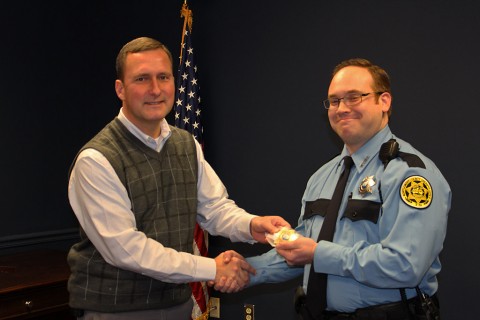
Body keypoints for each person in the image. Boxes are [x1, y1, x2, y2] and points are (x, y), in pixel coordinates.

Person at [67, 36, 289, 320]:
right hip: (117, 310)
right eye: (142, 79)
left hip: (177, 304)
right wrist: (212, 268)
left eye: (163, 77)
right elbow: (126, 250)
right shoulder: (96, 160)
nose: (155, 89)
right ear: (120, 89)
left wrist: (252, 225)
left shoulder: (186, 144)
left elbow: (214, 208)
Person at [227, 58, 451, 319]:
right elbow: (300, 251)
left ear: (384, 102)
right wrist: (247, 269)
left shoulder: (410, 174)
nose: (342, 108)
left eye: (354, 97)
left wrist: (319, 253)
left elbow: (405, 265)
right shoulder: (322, 177)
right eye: (334, 101)